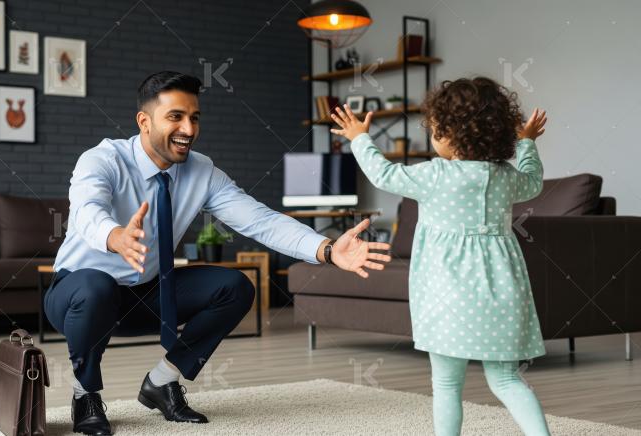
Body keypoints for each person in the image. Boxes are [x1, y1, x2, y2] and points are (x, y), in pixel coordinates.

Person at [44, 71, 392, 435]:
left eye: (194, 117)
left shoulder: (201, 172)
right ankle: (85, 393)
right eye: (175, 117)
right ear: (144, 122)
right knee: (95, 286)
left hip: (145, 294)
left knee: (235, 287)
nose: (188, 129)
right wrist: (115, 236)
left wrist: (328, 248)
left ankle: (162, 382)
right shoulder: (103, 159)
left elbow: (260, 221)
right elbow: (86, 210)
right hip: (76, 297)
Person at [330, 77, 551, 436]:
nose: (432, 137)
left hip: (447, 298)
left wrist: (359, 137)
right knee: (508, 380)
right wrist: (527, 143)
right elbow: (534, 180)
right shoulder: (506, 178)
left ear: (450, 133)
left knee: (447, 385)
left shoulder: (433, 175)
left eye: (434, 129)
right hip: (501, 292)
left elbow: (382, 173)